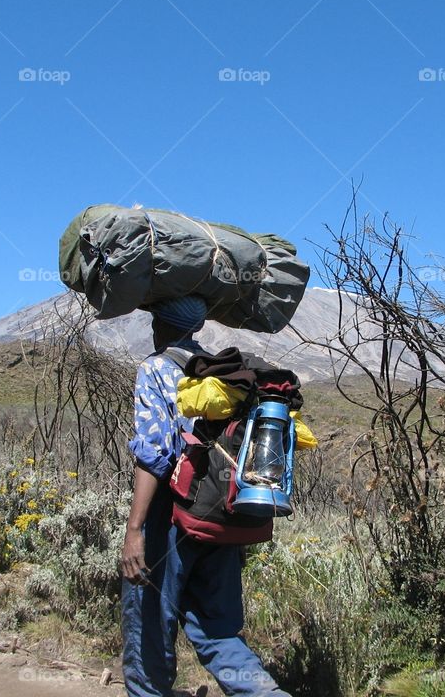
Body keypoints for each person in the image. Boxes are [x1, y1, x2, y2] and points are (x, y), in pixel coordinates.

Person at [120, 294, 290, 697]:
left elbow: (156, 454)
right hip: (217, 513)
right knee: (218, 630)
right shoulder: (222, 372)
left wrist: (135, 528)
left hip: (169, 513)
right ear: (194, 328)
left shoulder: (157, 368)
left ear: (160, 325)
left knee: (147, 627)